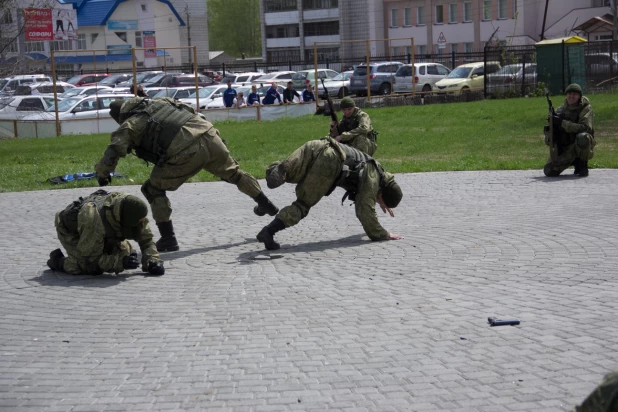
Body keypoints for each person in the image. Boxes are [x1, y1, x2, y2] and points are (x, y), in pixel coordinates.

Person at [96, 97, 279, 252]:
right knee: (234, 174)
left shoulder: (131, 123)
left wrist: (103, 174)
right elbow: (190, 110)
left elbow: (114, 150)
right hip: (208, 133)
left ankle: (168, 238)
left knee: (152, 189)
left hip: (185, 151)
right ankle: (265, 203)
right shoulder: (161, 101)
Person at [256, 137, 404, 250]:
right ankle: (268, 232)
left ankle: (275, 171)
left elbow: (374, 196)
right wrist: (382, 233)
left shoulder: (376, 169)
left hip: (319, 145)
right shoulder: (373, 177)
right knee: (303, 204)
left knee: (288, 174)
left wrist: (381, 199)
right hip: (329, 162)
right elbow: (364, 209)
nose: (379, 203)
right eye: (381, 201)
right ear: (381, 194)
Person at [47, 189, 165, 276]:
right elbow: (91, 260)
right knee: (84, 267)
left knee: (126, 253)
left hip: (101, 234)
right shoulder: (93, 218)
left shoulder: (135, 213)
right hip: (73, 233)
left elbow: (146, 240)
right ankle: (57, 261)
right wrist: (119, 263)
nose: (142, 223)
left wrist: (153, 261)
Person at [543, 83, 595, 177]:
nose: (571, 96)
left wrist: (562, 123)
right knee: (549, 171)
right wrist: (551, 135)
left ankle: (582, 164)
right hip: (566, 149)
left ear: (579, 96)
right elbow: (548, 139)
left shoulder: (586, 108)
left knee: (583, 137)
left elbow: (585, 128)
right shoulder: (560, 110)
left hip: (578, 146)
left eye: (575, 94)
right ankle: (569, 161)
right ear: (566, 95)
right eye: (569, 94)